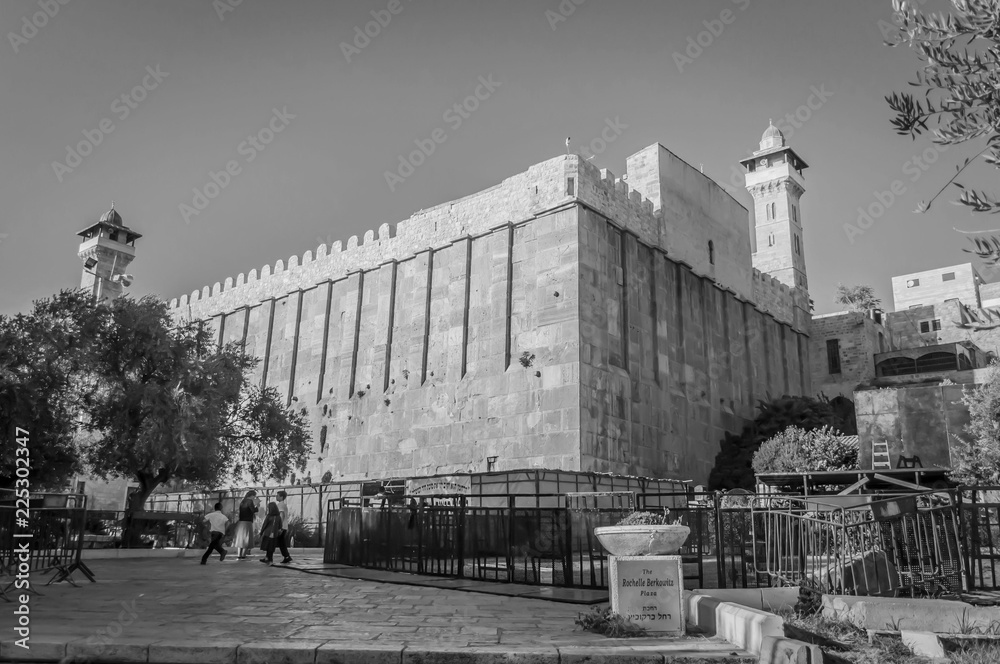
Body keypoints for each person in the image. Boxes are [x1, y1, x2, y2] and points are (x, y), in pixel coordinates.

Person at [233, 490, 259, 560]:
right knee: (246, 539)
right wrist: (257, 505)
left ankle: (239, 555)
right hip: (247, 522)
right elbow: (253, 510)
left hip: (241, 522)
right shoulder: (250, 501)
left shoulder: (243, 501)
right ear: (252, 496)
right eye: (254, 496)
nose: (254, 498)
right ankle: (243, 555)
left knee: (240, 539)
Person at [259, 501, 283, 565]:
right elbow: (280, 525)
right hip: (274, 533)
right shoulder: (278, 517)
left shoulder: (269, 516)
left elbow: (265, 524)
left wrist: (261, 532)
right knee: (271, 547)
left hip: (268, 533)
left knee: (268, 546)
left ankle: (269, 559)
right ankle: (268, 558)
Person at [273, 490, 293, 564]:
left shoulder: (280, 505)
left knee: (278, 542)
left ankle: (269, 557)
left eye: (277, 496)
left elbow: (281, 515)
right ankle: (286, 556)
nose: (276, 497)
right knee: (281, 543)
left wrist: (279, 526)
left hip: (281, 527)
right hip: (283, 526)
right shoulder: (283, 505)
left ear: (281, 497)